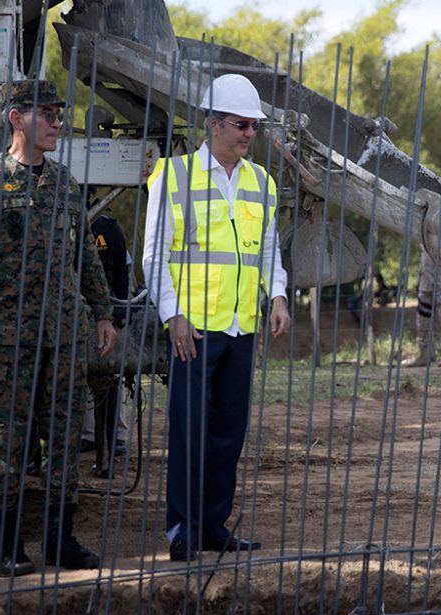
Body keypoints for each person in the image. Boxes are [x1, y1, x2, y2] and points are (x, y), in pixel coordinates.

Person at [0, 79, 117, 576]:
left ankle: (61, 541)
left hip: (62, 338)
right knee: (6, 441)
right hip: (5, 340)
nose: (58, 122)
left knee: (62, 437)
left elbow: (86, 257)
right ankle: (7, 546)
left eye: (60, 114)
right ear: (17, 118)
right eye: (48, 114)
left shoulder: (65, 184)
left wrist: (102, 312)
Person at [143, 73, 291, 562]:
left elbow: (268, 250)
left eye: (254, 127)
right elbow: (153, 255)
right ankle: (182, 530)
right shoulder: (174, 175)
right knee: (189, 430)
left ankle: (213, 524)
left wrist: (279, 295)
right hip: (195, 328)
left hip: (240, 326)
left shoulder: (261, 181)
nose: (249, 134)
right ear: (212, 125)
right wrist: (173, 314)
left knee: (229, 432)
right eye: (241, 124)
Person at [81, 212, 131, 460]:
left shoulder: (108, 227)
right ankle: (95, 436)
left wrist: (120, 309)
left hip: (103, 310)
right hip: (84, 309)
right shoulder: (107, 225)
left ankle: (112, 437)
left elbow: (123, 267)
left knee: (109, 373)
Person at [401, 248, 441, 368]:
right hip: (426, 286)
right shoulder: (425, 237)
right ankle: (424, 354)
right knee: (422, 323)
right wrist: (418, 281)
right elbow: (423, 260)